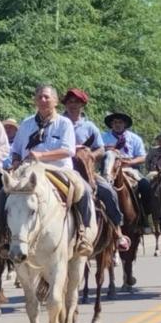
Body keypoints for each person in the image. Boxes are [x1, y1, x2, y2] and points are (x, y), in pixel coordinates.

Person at [10, 84, 96, 254]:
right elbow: (15, 150)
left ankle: (83, 234)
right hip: (29, 171)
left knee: (84, 190)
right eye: (40, 97)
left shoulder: (64, 123)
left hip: (58, 170)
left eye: (47, 97)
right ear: (34, 100)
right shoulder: (26, 124)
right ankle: (5, 237)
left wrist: (41, 156)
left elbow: (68, 150)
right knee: (4, 195)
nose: (43, 100)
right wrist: (15, 161)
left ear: (55, 101)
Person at [61, 88, 125, 241]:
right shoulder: (58, 123)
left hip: (85, 171)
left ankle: (117, 230)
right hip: (62, 168)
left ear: (82, 104)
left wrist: (90, 155)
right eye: (69, 102)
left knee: (109, 191)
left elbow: (101, 149)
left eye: (76, 102)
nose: (73, 105)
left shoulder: (90, 127)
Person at [102, 111, 153, 234]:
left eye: (120, 122)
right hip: (108, 169)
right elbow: (98, 153)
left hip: (129, 169)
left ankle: (146, 217)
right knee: (95, 187)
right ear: (111, 124)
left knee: (146, 186)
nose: (117, 124)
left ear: (125, 124)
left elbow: (142, 157)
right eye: (115, 122)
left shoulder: (135, 138)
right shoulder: (103, 137)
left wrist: (129, 162)